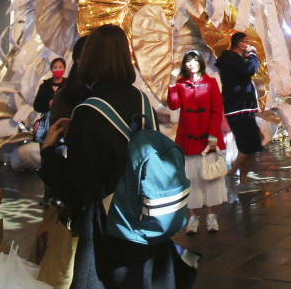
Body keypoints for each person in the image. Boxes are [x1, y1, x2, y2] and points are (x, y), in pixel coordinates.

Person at [39, 25, 197, 289]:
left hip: (109, 233)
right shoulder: (142, 101)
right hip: (146, 221)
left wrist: (48, 152)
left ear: (87, 61)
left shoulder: (88, 111)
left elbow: (76, 189)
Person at [168, 50, 226, 234]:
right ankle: (192, 216)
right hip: (188, 139)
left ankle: (211, 215)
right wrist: (171, 83)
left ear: (200, 62)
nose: (191, 64)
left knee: (211, 178)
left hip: (209, 138)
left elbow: (217, 110)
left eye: (194, 60)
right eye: (188, 61)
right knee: (190, 178)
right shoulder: (180, 83)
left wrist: (213, 136)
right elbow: (174, 105)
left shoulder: (211, 82)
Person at [216, 32, 262, 194]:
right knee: (252, 144)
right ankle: (231, 172)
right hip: (240, 108)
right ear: (240, 43)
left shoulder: (232, 60)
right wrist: (253, 55)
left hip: (241, 108)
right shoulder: (232, 59)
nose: (248, 44)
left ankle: (244, 182)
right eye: (246, 42)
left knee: (244, 146)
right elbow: (250, 69)